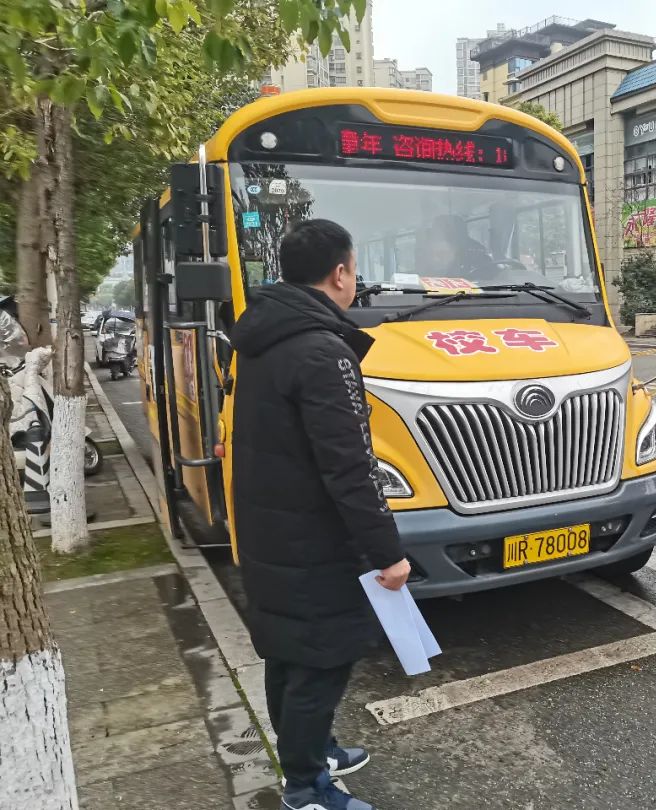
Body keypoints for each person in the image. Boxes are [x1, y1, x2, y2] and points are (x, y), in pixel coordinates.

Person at [231, 219, 411, 810]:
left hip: (270, 528)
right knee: (321, 663)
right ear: (339, 273)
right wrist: (387, 553)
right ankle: (306, 786)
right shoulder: (322, 351)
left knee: (288, 653)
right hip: (313, 539)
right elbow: (351, 467)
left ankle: (313, 751)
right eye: (354, 269)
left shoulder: (264, 337)